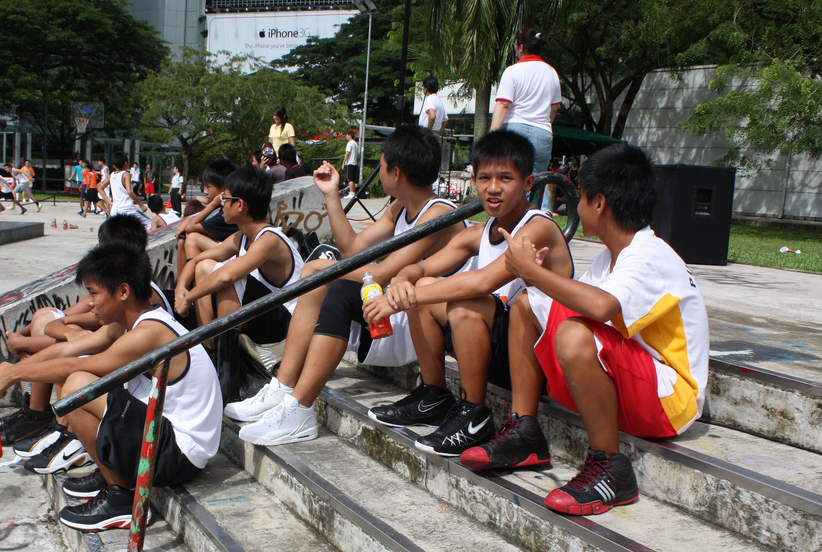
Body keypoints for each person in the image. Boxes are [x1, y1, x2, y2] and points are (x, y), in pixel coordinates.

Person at [485, 142, 708, 516]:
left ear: (600, 204)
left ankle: (612, 469)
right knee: (527, 304)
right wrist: (536, 280)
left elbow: (599, 308)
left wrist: (533, 272)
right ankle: (524, 431)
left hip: (671, 401)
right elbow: (573, 303)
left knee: (573, 333)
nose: (577, 207)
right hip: (636, 383)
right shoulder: (612, 256)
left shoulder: (650, 254)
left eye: (582, 198)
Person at [227, 125, 468, 446]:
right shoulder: (399, 206)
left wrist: (321, 269)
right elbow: (354, 248)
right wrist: (331, 195)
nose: (377, 168)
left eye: (380, 163)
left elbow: (384, 274)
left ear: (396, 173)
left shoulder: (438, 214)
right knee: (320, 277)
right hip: (395, 312)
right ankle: (285, 391)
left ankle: (297, 408)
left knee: (327, 280)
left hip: (416, 326)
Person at [0, 241, 221, 531]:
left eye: (93, 293)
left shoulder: (150, 332)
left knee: (77, 386)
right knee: (76, 378)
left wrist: (13, 376)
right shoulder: (129, 324)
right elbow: (66, 351)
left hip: (179, 453)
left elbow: (72, 367)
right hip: (163, 434)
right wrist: (3, 375)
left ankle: (122, 499)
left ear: (123, 291)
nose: (89, 302)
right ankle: (112, 475)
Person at [364, 129, 574, 457]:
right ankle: (434, 393)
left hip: (537, 359)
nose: (493, 188)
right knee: (424, 285)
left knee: (464, 302)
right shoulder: (480, 231)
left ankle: (474, 414)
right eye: (485, 177)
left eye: (506, 178)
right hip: (497, 348)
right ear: (473, 179)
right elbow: (421, 269)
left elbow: (481, 283)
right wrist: (404, 280)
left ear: (528, 183)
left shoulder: (538, 227)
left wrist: (397, 300)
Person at [0, 215, 156, 449]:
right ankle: (45, 418)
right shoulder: (118, 301)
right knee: (59, 331)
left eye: (93, 294)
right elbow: (60, 323)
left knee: (76, 375)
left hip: (162, 429)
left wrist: (14, 370)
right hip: (137, 394)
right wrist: (12, 368)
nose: (91, 301)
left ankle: (62, 429)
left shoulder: (145, 314)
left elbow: (70, 357)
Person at [175, 165, 303, 347]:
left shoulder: (269, 239)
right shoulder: (241, 236)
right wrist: (181, 288)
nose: (221, 204)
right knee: (204, 266)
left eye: (225, 198)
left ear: (240, 205)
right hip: (263, 313)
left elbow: (228, 275)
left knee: (231, 279)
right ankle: (210, 347)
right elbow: (197, 260)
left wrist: (188, 299)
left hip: (286, 323)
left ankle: (226, 359)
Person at [490, 29, 562, 177]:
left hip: (515, 132)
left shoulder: (512, 71)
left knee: (511, 180)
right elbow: (553, 109)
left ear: (521, 47)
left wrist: (492, 136)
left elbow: (503, 104)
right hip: (543, 133)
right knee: (536, 184)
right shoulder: (552, 73)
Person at [174, 160, 239, 272]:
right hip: (228, 255)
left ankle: (192, 285)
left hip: (233, 260)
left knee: (192, 238)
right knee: (184, 240)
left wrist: (213, 204)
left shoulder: (227, 214)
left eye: (208, 187)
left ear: (223, 189)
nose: (205, 191)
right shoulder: (226, 209)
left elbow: (191, 227)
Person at [99, 151, 150, 226]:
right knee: (150, 223)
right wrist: (141, 204)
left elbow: (100, 188)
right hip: (127, 209)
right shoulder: (126, 174)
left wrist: (109, 202)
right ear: (126, 162)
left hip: (115, 209)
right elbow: (129, 192)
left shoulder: (112, 174)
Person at [341, 130, 360, 197]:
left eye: (347, 135)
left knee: (350, 179)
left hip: (350, 163)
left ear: (350, 135)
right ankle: (353, 192)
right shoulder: (355, 144)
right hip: (355, 162)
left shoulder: (350, 143)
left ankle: (351, 193)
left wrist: (343, 162)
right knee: (353, 179)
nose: (346, 137)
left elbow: (347, 153)